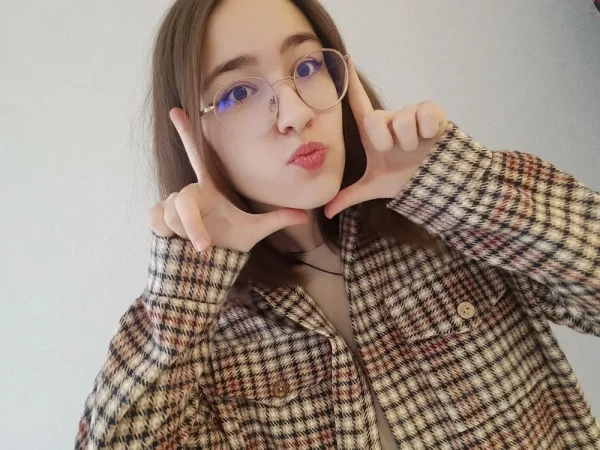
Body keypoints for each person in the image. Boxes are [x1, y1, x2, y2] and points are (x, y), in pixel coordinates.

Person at [75, 0, 600, 448]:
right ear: (193, 133)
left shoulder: (448, 221)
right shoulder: (200, 333)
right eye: (238, 93)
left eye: (306, 66)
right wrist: (186, 290)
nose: (297, 114)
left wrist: (456, 186)